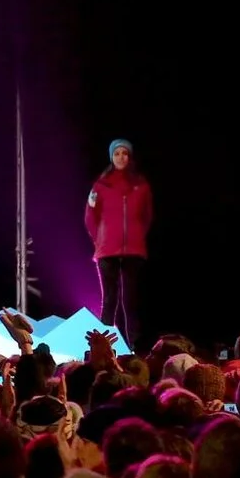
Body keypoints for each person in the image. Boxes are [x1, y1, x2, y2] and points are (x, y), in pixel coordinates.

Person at [85, 137, 152, 351]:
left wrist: (137, 236)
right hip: (107, 251)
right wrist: (101, 240)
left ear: (129, 157)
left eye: (124, 153)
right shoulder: (101, 184)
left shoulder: (140, 185)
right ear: (111, 157)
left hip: (134, 251)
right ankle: (104, 347)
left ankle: (134, 348)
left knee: (131, 301)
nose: (121, 157)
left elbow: (147, 215)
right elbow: (90, 217)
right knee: (110, 300)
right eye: (117, 154)